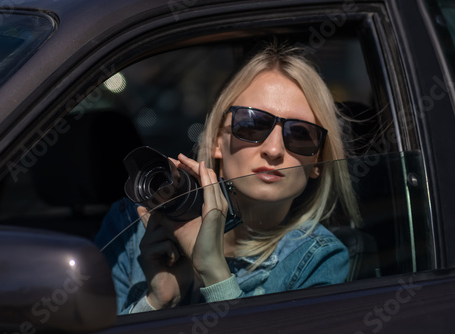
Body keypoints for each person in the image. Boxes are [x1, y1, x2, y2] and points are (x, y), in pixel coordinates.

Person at [95, 41, 360, 314]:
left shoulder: (319, 258)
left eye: (301, 134)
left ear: (319, 161)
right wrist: (156, 302)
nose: (273, 150)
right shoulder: (134, 223)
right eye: (252, 123)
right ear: (217, 141)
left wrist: (214, 274)